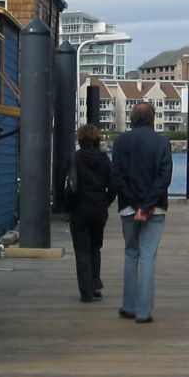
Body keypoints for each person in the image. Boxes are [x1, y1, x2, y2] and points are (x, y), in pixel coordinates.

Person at [110, 102, 172, 323]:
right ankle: (144, 312)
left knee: (130, 253)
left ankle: (128, 306)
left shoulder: (120, 142)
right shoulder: (162, 142)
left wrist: (136, 205)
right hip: (154, 208)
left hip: (128, 207)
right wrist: (146, 206)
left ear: (131, 119)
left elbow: (116, 175)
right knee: (148, 257)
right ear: (153, 119)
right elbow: (164, 178)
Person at [68, 124, 115, 303]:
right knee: (95, 248)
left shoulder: (76, 158)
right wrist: (106, 201)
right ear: (97, 139)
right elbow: (113, 185)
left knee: (82, 250)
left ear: (80, 139)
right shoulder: (104, 159)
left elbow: (69, 185)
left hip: (80, 208)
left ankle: (85, 290)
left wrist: (69, 206)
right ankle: (95, 285)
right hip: (99, 208)